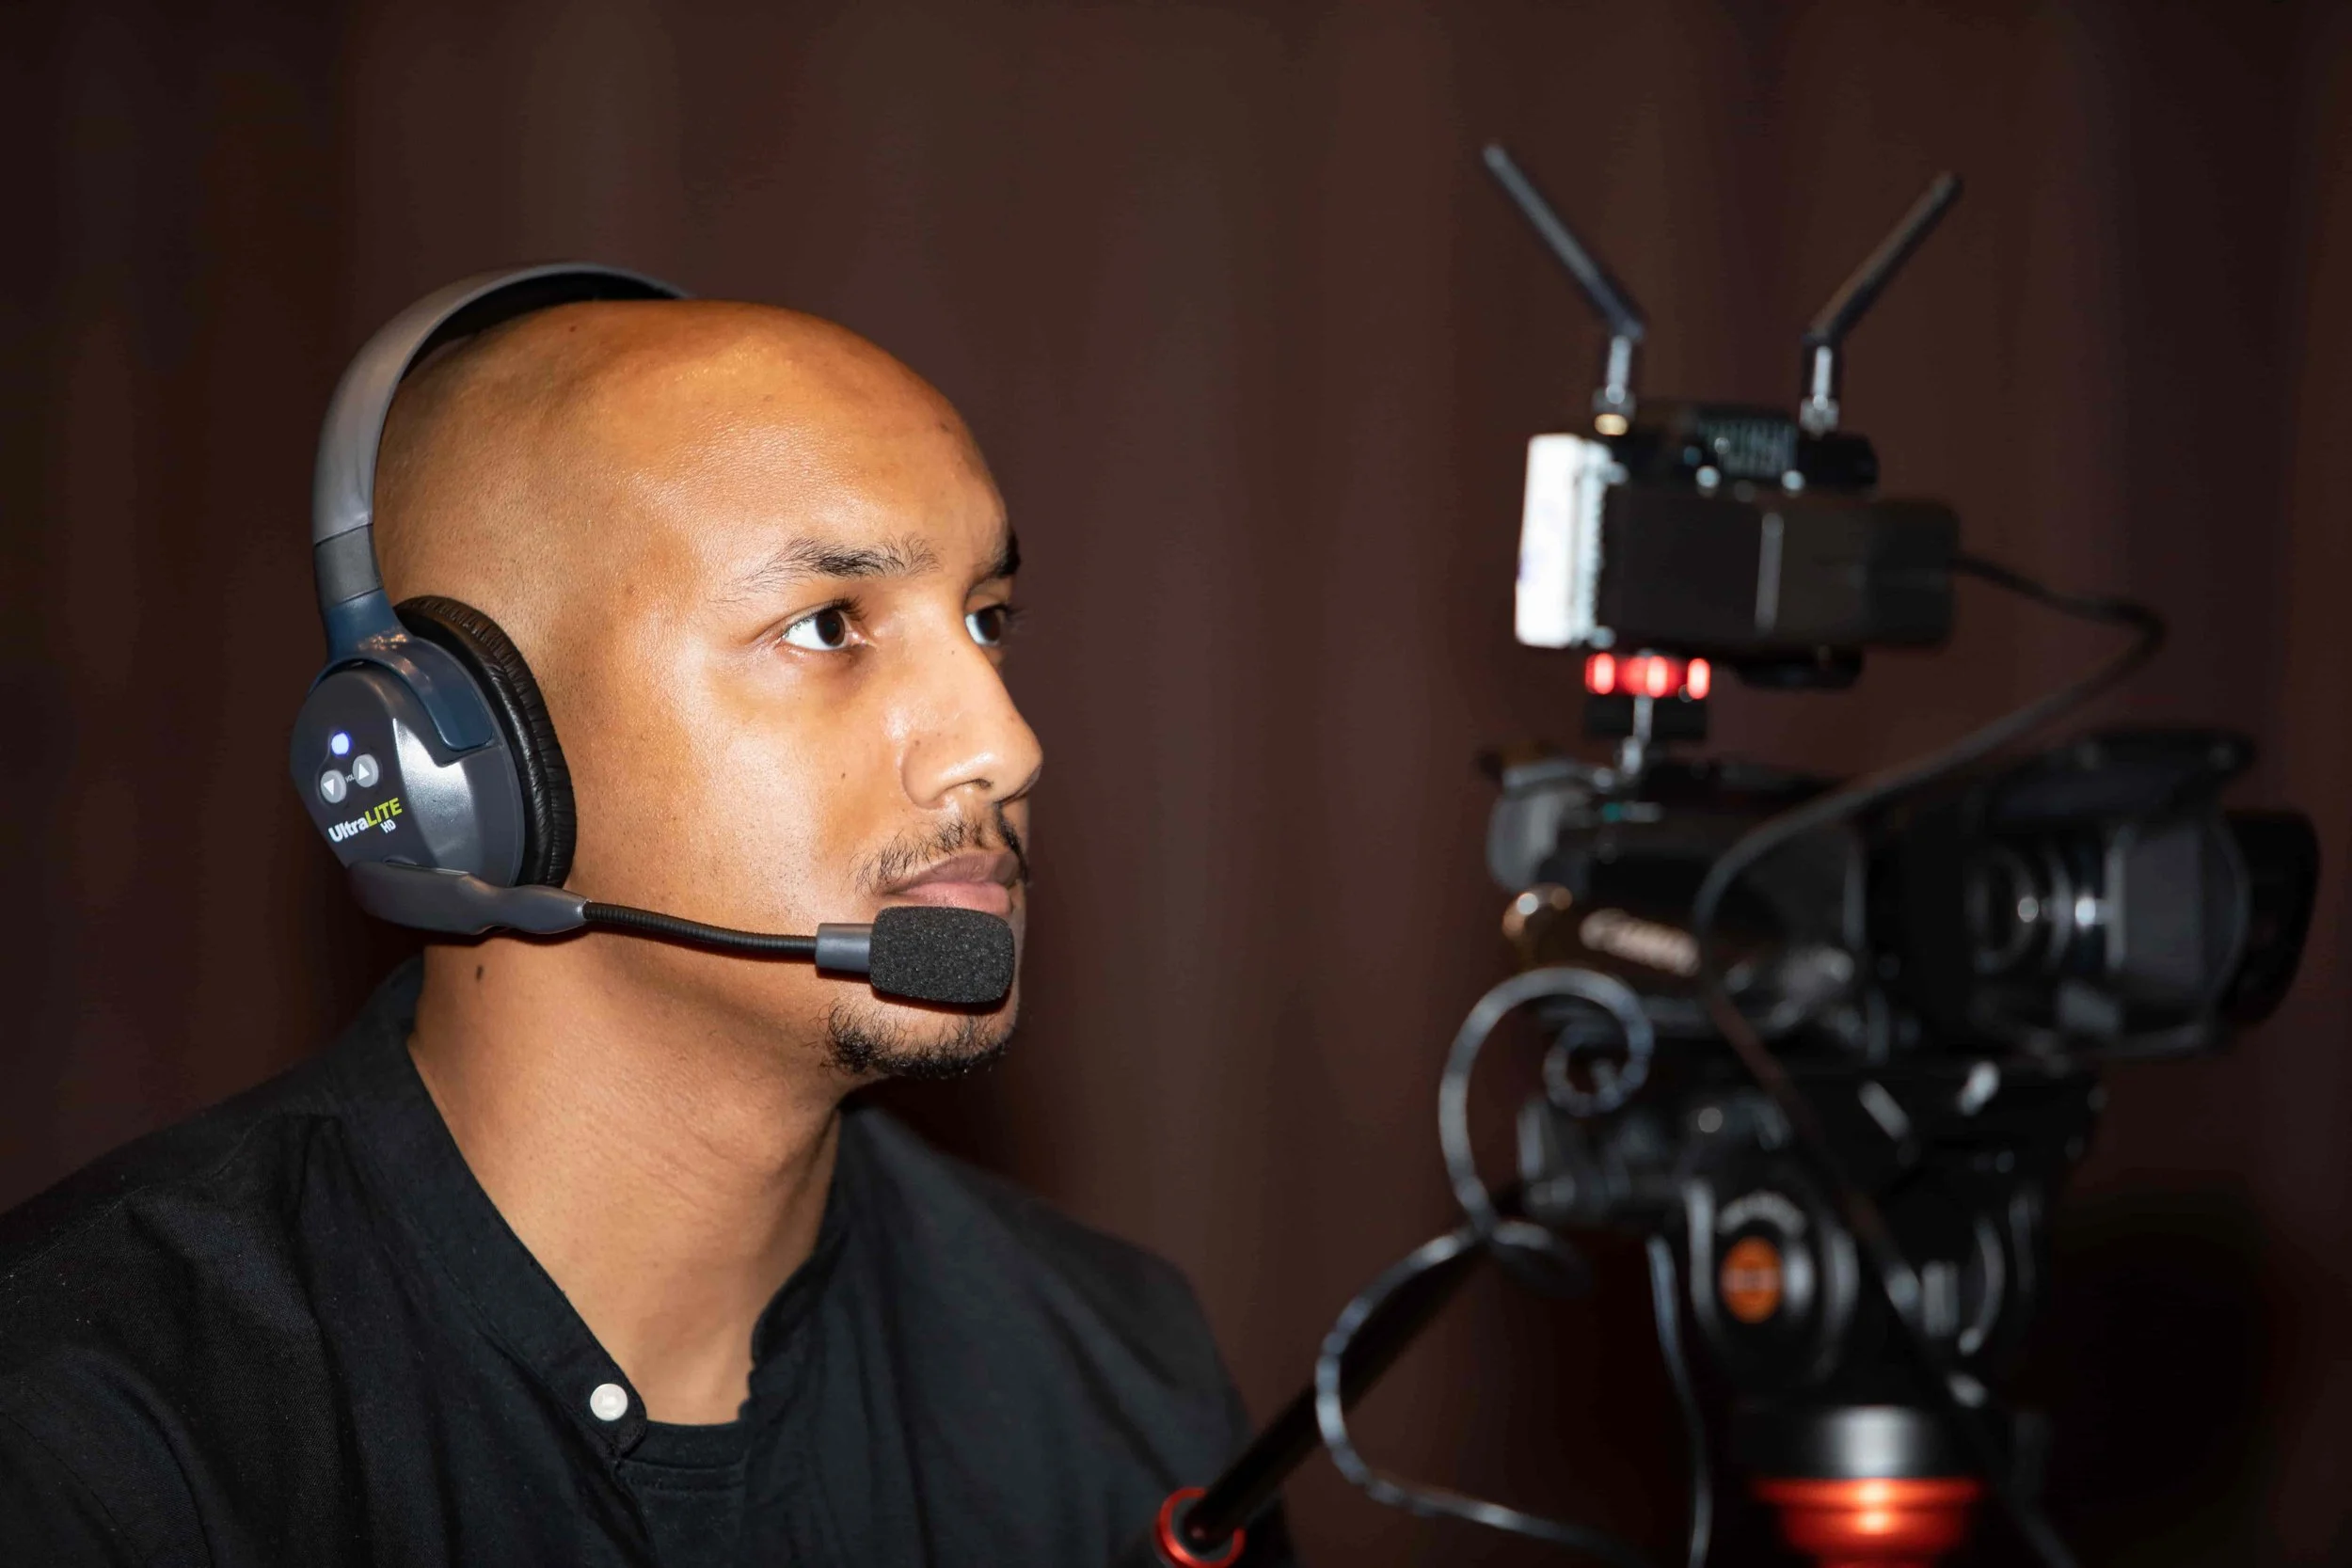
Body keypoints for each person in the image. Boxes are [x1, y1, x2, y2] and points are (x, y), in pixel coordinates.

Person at [0, 293, 1287, 1565]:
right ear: (471, 761)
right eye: (827, 625)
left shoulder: (1119, 1390)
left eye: (986, 619)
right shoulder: (92, 1424)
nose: (1005, 746)